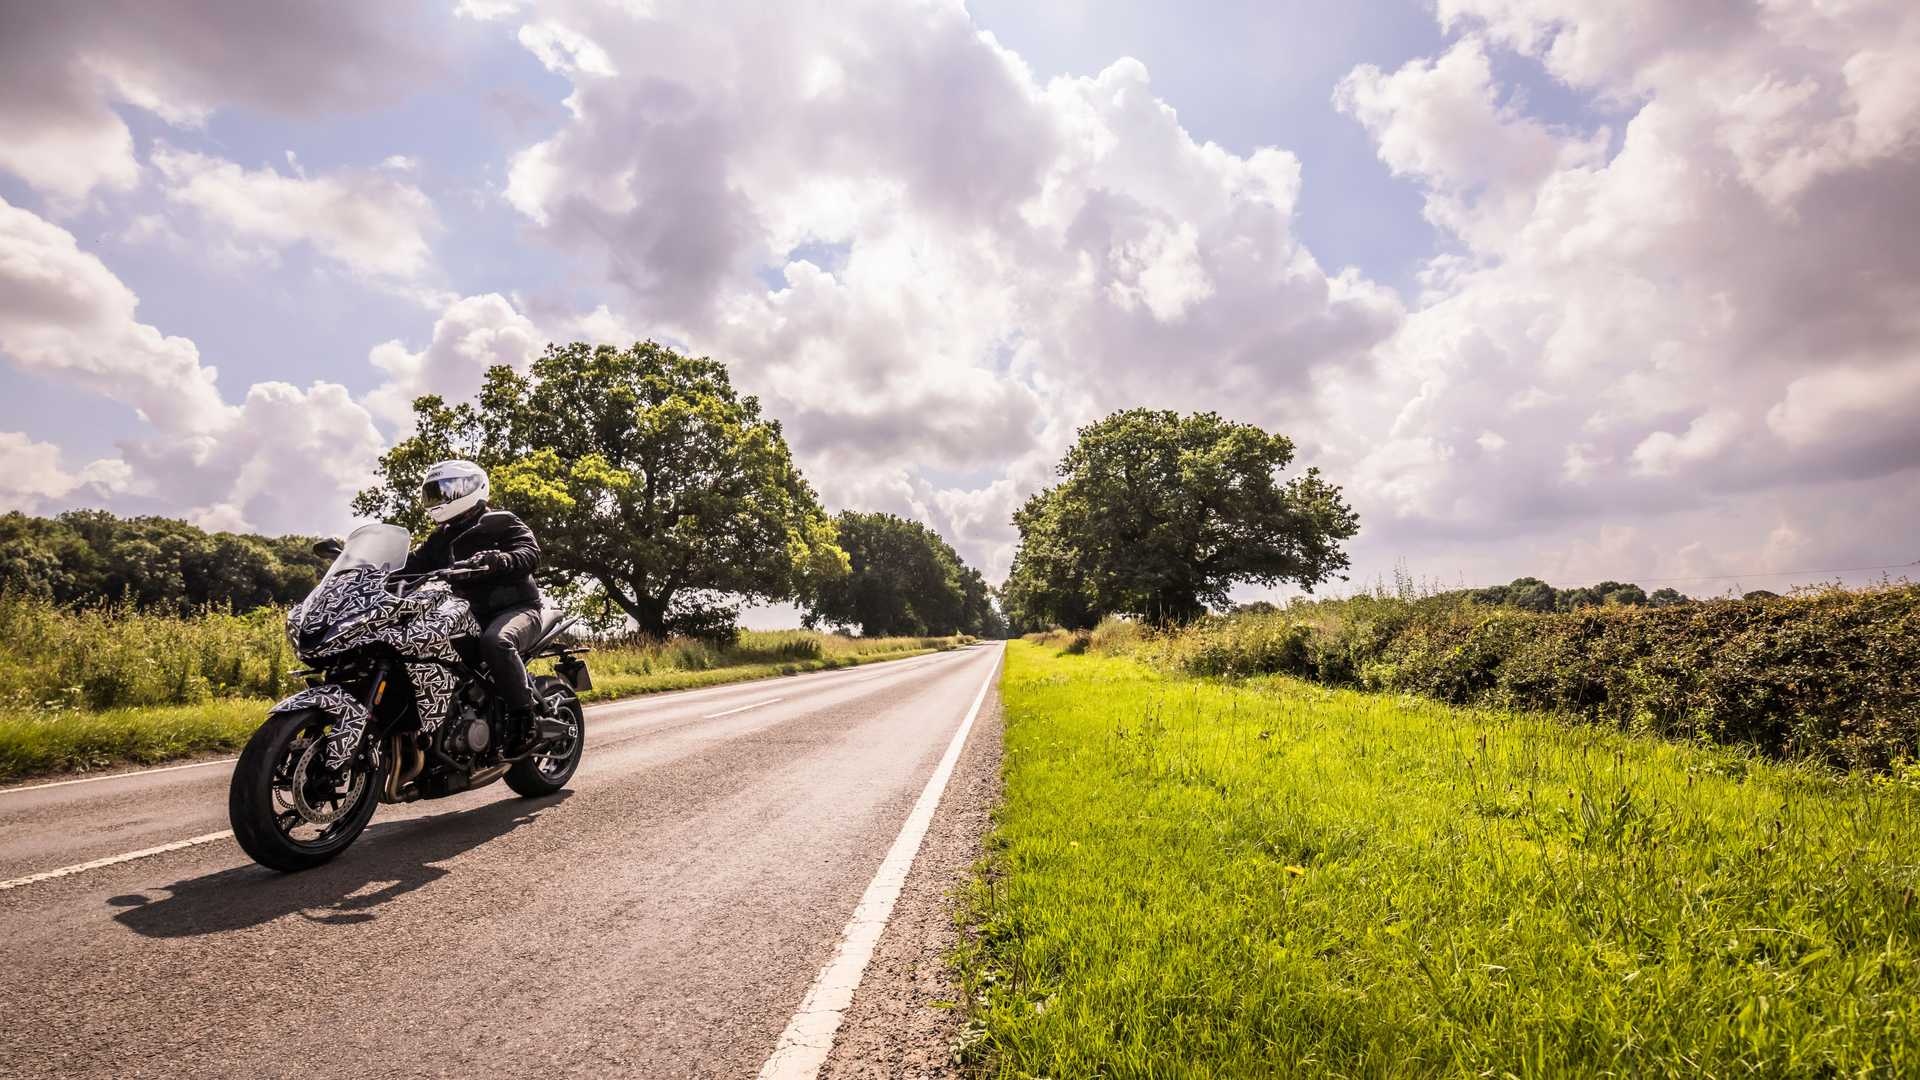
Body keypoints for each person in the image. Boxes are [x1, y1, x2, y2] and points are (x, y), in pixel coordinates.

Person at [401, 459, 552, 755]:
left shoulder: (501, 521)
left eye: (446, 490)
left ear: (471, 487)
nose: (440, 500)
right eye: (433, 493)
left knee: (496, 642)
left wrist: (502, 560)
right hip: (465, 614)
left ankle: (526, 720)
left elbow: (529, 553)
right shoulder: (439, 539)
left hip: (517, 609)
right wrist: (370, 570)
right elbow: (411, 568)